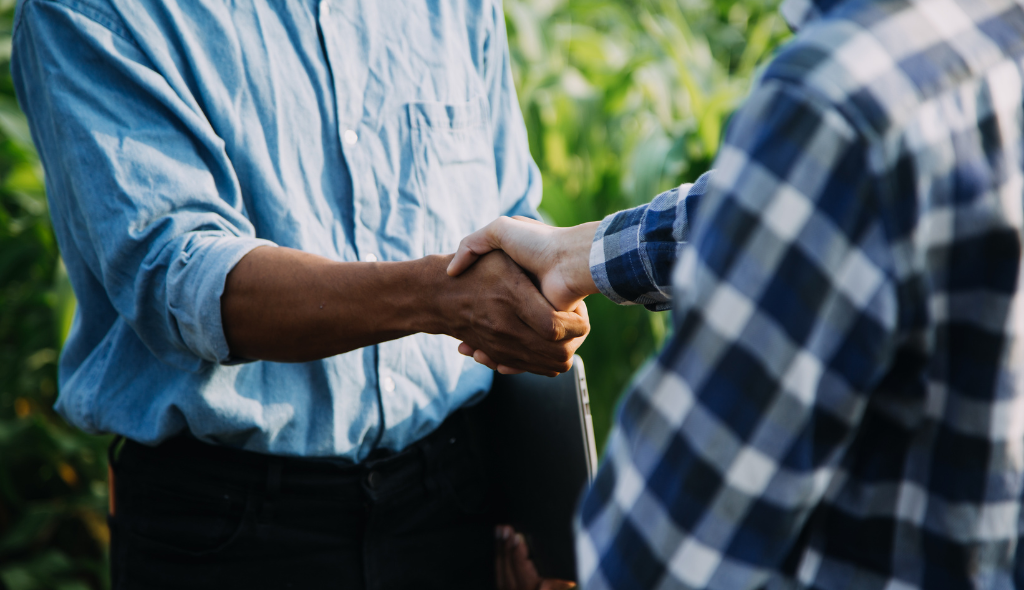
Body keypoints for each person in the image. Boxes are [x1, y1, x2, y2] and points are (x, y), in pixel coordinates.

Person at [10, 0, 590, 588]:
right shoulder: (94, 11)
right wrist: (436, 299)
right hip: (224, 529)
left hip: (457, 502)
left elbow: (514, 222)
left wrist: (538, 523)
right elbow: (183, 280)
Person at [451, 0, 1024, 587]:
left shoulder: (838, 96)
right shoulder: (993, 31)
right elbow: (816, 202)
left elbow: (663, 555)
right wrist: (586, 253)